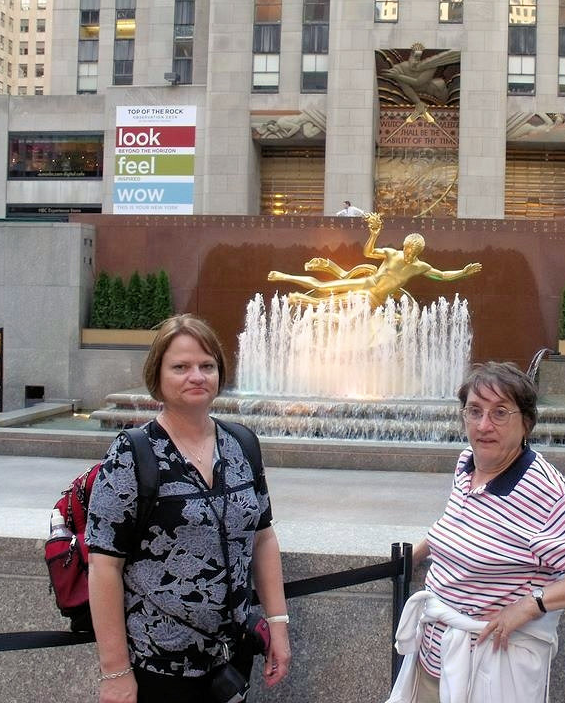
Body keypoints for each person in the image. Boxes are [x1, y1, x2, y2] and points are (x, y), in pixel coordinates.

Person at [387, 362, 565, 703]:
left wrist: (531, 606)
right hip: (434, 661)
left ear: (526, 424)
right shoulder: (468, 464)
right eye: (475, 411)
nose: (484, 425)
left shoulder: (544, 491)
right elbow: (460, 522)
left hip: (489, 670)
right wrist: (417, 553)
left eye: (500, 413)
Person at [86, 314, 290, 703]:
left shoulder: (242, 444)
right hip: (158, 666)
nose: (196, 376)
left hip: (232, 656)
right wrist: (115, 672)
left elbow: (263, 537)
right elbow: (104, 565)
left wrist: (277, 625)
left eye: (207, 366)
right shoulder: (132, 453)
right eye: (180, 367)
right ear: (157, 376)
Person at [268, 212, 481, 309]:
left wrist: (463, 272)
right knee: (324, 287)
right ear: (404, 246)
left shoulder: (419, 267)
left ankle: (303, 301)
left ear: (418, 252)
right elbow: (369, 252)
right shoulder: (391, 253)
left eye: (411, 252)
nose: (407, 254)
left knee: (335, 306)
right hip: (366, 284)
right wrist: (374, 234)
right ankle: (284, 276)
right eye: (406, 249)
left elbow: (441, 275)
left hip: (376, 299)